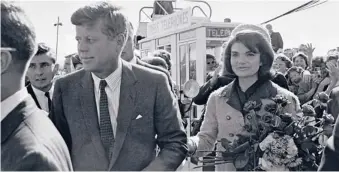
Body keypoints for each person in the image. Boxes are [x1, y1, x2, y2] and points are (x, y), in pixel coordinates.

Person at [49, 2, 187, 171]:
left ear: (119, 41)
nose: (81, 49)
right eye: (79, 40)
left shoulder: (153, 82)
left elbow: (175, 142)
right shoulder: (65, 88)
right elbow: (56, 150)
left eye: (90, 40)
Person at [187, 24, 300, 171]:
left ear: (263, 59)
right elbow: (206, 139)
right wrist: (189, 144)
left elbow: (294, 150)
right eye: (235, 54)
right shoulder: (217, 98)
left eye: (250, 54)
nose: (241, 60)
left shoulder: (285, 99)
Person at [1, 2, 73, 171]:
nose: (39, 72)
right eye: (34, 66)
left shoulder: (30, 157)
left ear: (1, 61)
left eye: (44, 65)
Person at [26, 43, 59, 112]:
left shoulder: (67, 95)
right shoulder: (20, 100)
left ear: (56, 68)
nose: (39, 72)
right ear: (25, 70)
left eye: (44, 65)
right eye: (32, 66)